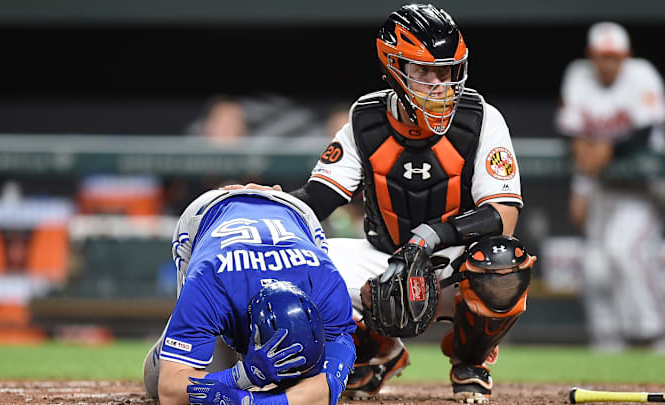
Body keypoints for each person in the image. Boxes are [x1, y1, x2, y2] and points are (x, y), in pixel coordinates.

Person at [289, 4, 532, 403]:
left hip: (452, 258)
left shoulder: (482, 118)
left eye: (447, 71)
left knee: (505, 259)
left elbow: (502, 217)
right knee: (297, 266)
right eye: (424, 72)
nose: (439, 84)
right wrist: (270, 204)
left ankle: (470, 362)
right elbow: (317, 197)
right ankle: (378, 353)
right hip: (384, 258)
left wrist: (433, 236)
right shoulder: (365, 120)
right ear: (394, 68)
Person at [141, 186, 356, 405]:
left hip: (296, 213)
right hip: (205, 215)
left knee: (303, 376)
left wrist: (250, 400)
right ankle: (179, 341)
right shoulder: (209, 283)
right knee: (162, 382)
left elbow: (328, 383)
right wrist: (243, 375)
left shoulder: (325, 282)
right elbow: (170, 391)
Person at [555, 22, 665, 352]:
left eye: (615, 56)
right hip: (602, 186)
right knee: (594, 263)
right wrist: (580, 187)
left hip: (643, 186)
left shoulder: (642, 75)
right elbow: (574, 136)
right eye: (602, 56)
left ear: (626, 56)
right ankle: (607, 342)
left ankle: (660, 336)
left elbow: (645, 130)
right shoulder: (578, 76)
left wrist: (607, 147)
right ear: (591, 56)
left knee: (624, 250)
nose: (608, 63)